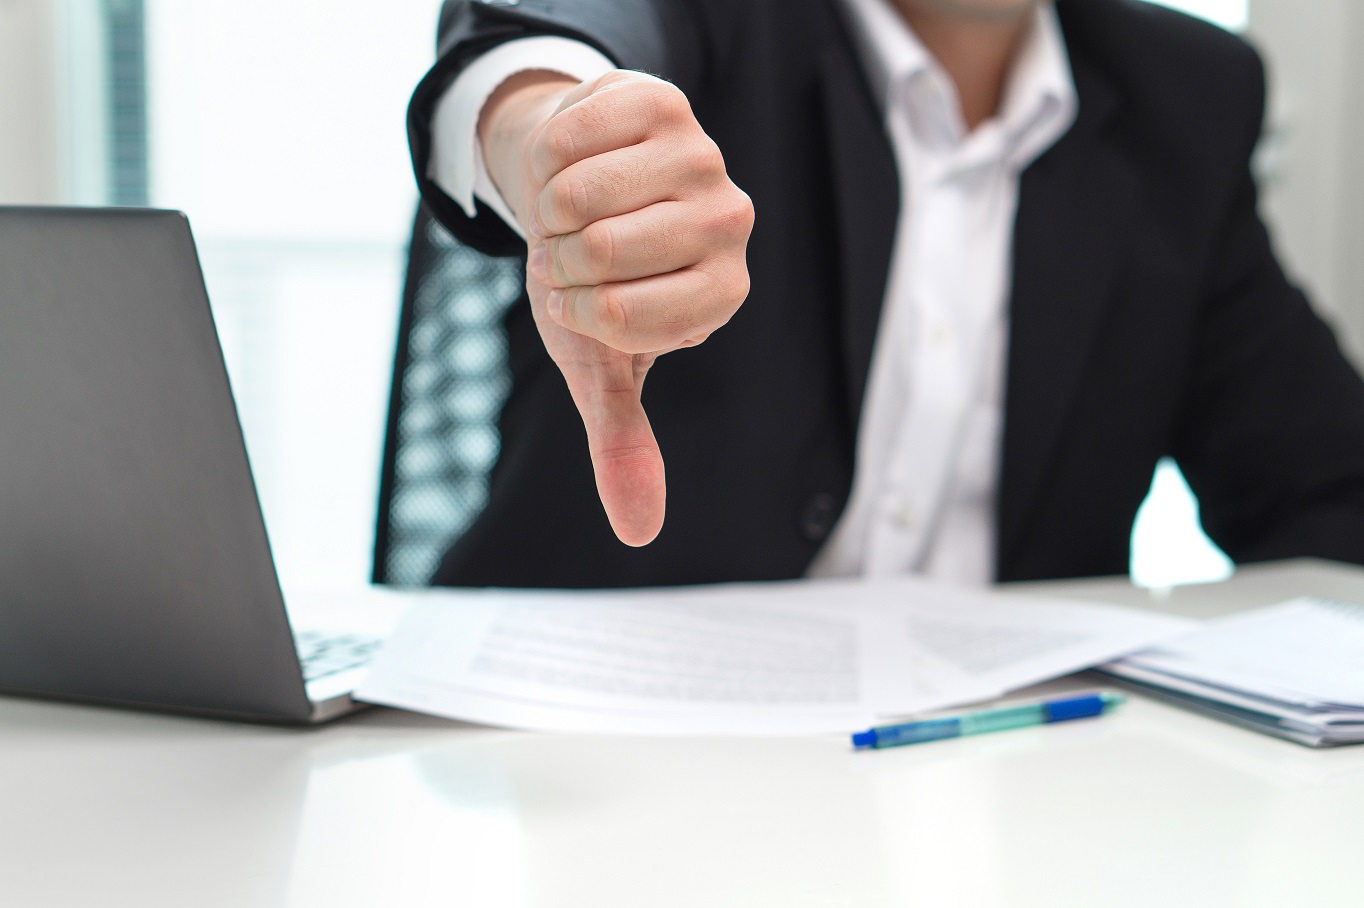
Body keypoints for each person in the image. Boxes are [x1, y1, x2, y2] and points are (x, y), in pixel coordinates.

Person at [406, 0, 1364, 589]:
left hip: (997, 794)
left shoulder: (1186, 94)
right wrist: (550, 139)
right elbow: (539, 42)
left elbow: (1324, 492)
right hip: (593, 756)